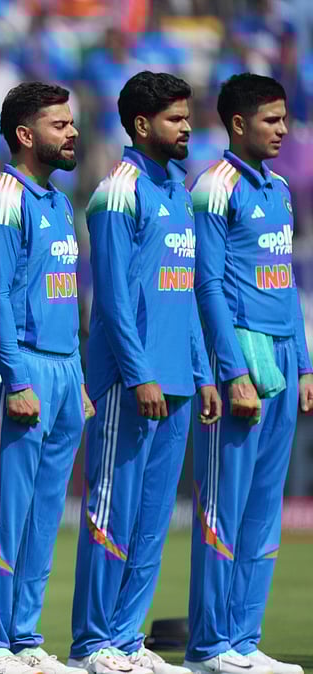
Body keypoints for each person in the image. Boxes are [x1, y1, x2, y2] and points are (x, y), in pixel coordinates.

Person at [69, 71, 221, 674]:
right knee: (112, 513)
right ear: (141, 124)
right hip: (128, 384)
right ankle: (91, 645)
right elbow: (109, 298)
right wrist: (139, 375)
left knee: (154, 523)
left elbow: (183, 296)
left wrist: (202, 374)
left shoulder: (178, 192)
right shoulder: (117, 192)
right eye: (175, 119)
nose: (187, 128)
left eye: (187, 116)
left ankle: (127, 640)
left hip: (178, 381)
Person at [0, 82, 94, 674]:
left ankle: (24, 638)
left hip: (64, 369)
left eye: (72, 123)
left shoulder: (59, 203)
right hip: (20, 367)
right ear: (25, 134)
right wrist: (15, 379)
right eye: (59, 125)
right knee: (3, 511)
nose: (72, 133)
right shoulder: (2, 202)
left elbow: (62, 296)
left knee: (44, 518)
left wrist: (78, 375)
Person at [185, 73, 311, 674]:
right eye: (272, 120)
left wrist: (305, 363)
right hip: (242, 354)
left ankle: (243, 641)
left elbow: (286, 285)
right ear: (238, 124)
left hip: (285, 353)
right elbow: (206, 284)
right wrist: (231, 368)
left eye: (285, 118)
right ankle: (210, 646)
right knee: (224, 507)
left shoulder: (280, 189)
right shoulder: (215, 186)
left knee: (264, 508)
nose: (283, 130)